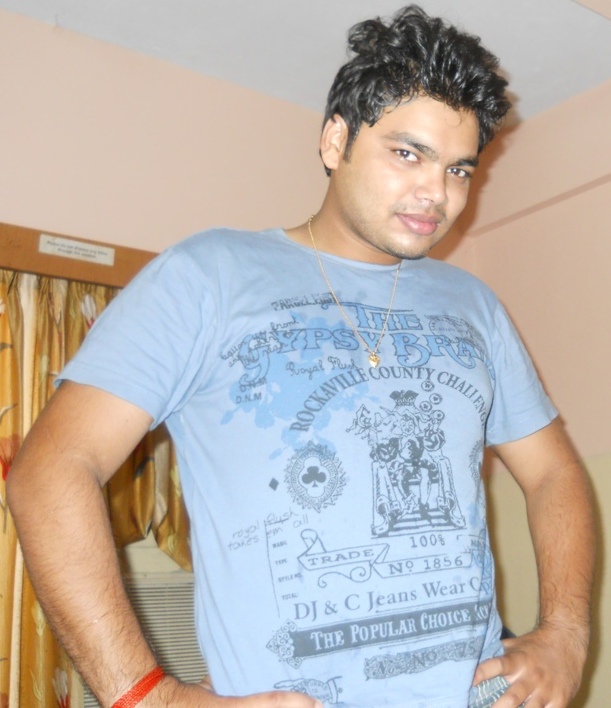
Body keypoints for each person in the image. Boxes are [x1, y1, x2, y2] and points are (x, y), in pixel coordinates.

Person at [7, 5, 595, 708]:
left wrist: (566, 632)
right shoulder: (208, 276)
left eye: (458, 169)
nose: (436, 194)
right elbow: (51, 470)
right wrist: (147, 697)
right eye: (407, 154)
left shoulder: (473, 304)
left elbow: (554, 472)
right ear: (335, 140)